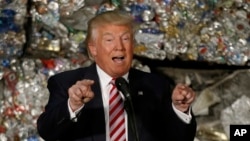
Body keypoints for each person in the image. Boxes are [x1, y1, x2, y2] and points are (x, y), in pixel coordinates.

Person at [37, 10, 197, 141]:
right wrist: (73, 105)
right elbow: (48, 132)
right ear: (93, 49)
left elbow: (179, 138)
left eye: (126, 39)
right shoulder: (66, 83)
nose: (119, 47)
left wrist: (180, 109)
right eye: (109, 40)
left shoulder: (155, 85)